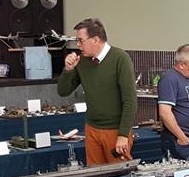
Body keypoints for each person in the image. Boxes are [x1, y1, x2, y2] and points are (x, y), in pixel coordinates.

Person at [57, 18, 137, 164]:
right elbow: (63, 91)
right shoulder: (82, 61)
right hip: (92, 128)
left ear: (95, 39)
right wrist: (68, 70)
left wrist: (123, 134)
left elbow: (130, 101)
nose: (78, 45)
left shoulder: (120, 58)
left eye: (81, 40)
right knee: (94, 173)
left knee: (118, 173)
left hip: (115, 130)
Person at [157, 44, 189, 161]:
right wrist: (182, 138)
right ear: (182, 65)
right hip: (180, 141)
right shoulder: (170, 79)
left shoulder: (188, 78)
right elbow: (164, 113)